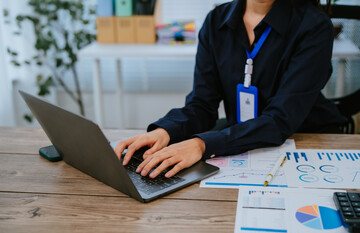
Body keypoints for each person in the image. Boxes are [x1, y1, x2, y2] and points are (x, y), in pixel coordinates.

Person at [115, 0, 347, 179]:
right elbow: (202, 104)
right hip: (243, 141)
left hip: (306, 140)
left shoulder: (313, 26)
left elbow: (280, 120)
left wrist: (201, 144)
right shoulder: (216, 22)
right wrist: (165, 131)